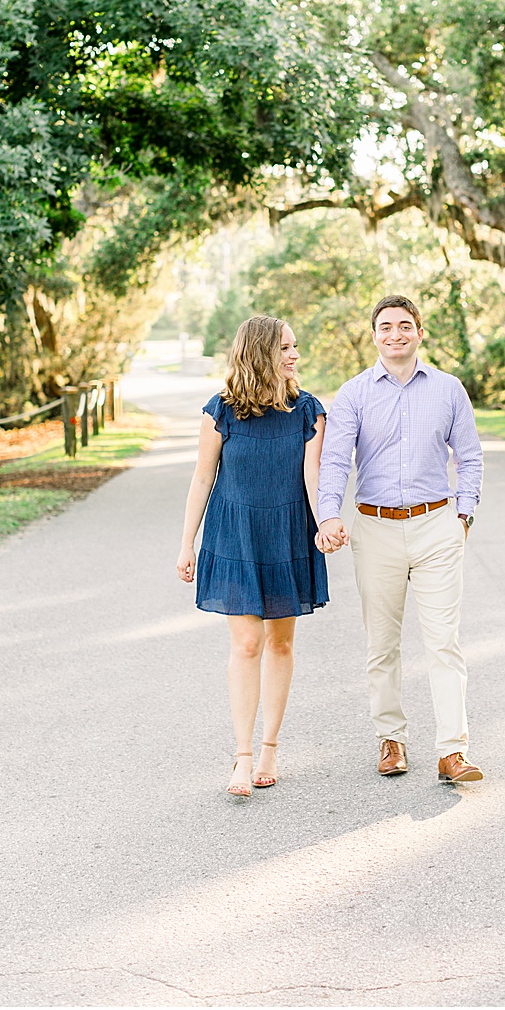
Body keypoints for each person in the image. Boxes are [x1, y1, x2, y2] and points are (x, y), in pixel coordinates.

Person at [314, 294, 485, 784]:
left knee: (444, 642)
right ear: (374, 336)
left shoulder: (449, 389)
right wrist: (328, 515)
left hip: (437, 526)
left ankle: (453, 751)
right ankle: (391, 740)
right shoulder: (353, 394)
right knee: (382, 644)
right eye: (386, 327)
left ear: (419, 333)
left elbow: (469, 456)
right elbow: (335, 461)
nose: (396, 334)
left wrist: (463, 516)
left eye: (405, 325)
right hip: (376, 529)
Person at [176, 316, 330, 798]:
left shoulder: (308, 411)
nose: (294, 355)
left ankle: (269, 748)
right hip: (235, 536)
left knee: (280, 644)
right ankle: (242, 756)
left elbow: (313, 477)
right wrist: (187, 544)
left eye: (295, 346)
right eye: (285, 347)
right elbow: (203, 477)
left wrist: (326, 523)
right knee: (246, 645)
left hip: (287, 535)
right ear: (259, 352)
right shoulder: (220, 411)